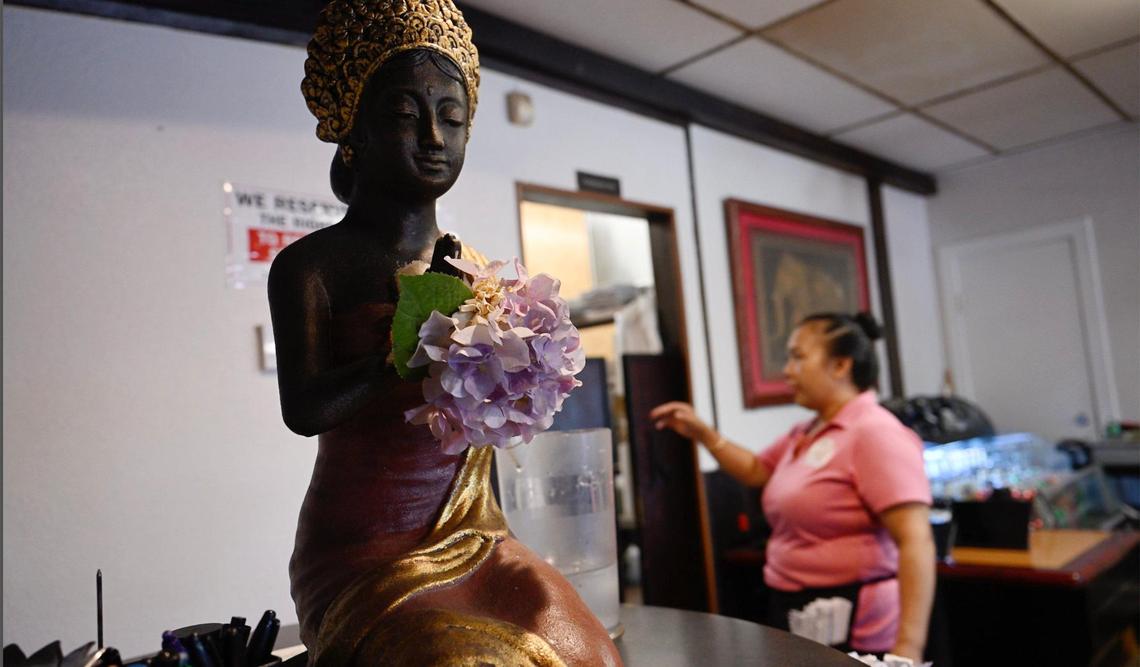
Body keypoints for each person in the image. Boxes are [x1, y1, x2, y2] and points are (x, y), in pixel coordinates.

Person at [268, 2, 620, 665]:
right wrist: (409, 342)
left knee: (589, 653)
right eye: (405, 115)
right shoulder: (312, 267)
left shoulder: (477, 271)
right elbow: (304, 410)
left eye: (452, 119)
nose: (433, 136)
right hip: (365, 547)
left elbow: (486, 429)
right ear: (355, 131)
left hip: (475, 531)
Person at [650, 312, 935, 660]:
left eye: (798, 357)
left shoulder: (875, 432)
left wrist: (908, 646)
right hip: (799, 608)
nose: (787, 370)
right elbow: (757, 470)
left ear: (841, 365)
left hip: (858, 619)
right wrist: (703, 434)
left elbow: (915, 540)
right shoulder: (808, 431)